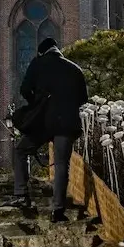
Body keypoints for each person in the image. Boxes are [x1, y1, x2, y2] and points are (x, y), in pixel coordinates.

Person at [9, 36, 89, 222]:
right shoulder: (75, 69)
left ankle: (21, 194)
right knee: (62, 165)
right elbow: (83, 98)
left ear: (42, 51)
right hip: (66, 122)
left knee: (21, 150)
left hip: (43, 121)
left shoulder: (38, 64)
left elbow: (24, 89)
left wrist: (37, 102)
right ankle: (58, 211)